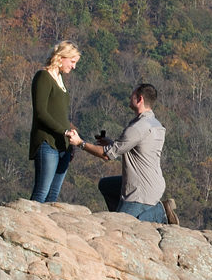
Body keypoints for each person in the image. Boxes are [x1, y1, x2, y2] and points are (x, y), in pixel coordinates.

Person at [87, 81, 169, 222]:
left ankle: (159, 212)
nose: (130, 97)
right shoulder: (155, 124)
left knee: (120, 226)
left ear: (140, 99)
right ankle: (125, 211)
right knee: (106, 185)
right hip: (154, 184)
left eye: (132, 95)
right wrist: (112, 143)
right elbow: (136, 150)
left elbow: (107, 155)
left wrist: (80, 143)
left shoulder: (138, 127)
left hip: (140, 190)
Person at [28, 42, 82, 202]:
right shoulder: (43, 77)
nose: (74, 67)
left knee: (52, 196)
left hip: (63, 145)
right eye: (72, 62)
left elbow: (59, 113)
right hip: (47, 143)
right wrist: (63, 131)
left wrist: (70, 141)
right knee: (41, 193)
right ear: (61, 57)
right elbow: (41, 112)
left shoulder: (60, 78)